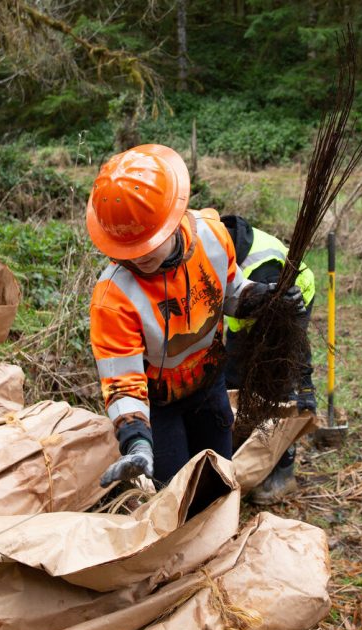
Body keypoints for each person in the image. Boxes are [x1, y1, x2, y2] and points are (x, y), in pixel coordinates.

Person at [87, 144, 305, 490]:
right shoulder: (114, 297)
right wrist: (137, 441)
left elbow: (232, 293)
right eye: (128, 249)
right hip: (159, 404)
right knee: (177, 489)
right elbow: (122, 380)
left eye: (148, 245)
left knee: (218, 475)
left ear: (173, 220)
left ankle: (220, 518)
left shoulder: (212, 238)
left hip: (209, 384)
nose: (138, 257)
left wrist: (267, 298)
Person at [221, 215, 317, 504]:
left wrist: (305, 383)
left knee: (275, 385)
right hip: (244, 316)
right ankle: (240, 450)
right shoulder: (210, 246)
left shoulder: (265, 269)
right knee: (232, 380)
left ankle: (283, 471)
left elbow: (292, 342)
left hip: (289, 306)